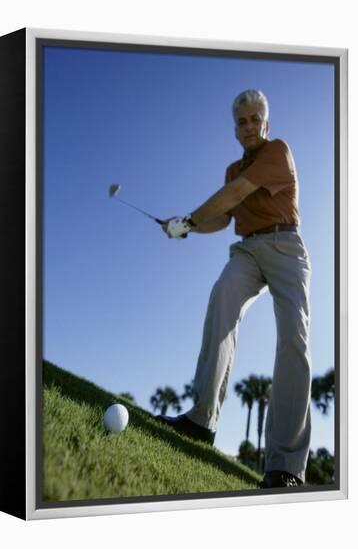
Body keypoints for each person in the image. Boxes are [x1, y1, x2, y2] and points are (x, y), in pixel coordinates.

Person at [157, 89, 312, 489]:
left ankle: (286, 466)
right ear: (235, 127)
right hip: (246, 250)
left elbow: (237, 194)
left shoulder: (277, 151)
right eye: (240, 121)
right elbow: (222, 219)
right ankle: (200, 421)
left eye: (254, 118)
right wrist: (187, 227)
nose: (247, 126)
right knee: (222, 299)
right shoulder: (231, 169)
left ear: (266, 123)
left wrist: (189, 219)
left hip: (285, 247)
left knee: (293, 337)